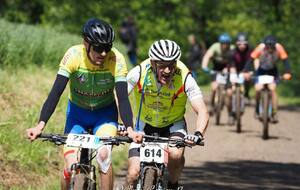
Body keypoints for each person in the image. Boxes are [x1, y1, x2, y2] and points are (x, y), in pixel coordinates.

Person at [26, 18, 142, 190]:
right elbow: (55, 93)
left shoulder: (116, 58)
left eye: (107, 48)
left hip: (104, 116)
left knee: (103, 156)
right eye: (98, 48)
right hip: (77, 116)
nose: (103, 53)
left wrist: (130, 129)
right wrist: (40, 125)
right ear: (85, 43)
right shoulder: (73, 55)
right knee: (69, 165)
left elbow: (123, 98)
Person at [123, 39, 209, 189]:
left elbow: (201, 109)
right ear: (153, 63)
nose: (168, 70)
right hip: (143, 124)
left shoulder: (185, 77)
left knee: (175, 155)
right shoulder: (139, 72)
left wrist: (198, 133)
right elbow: (120, 98)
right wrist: (121, 125)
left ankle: (173, 185)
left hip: (173, 125)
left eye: (171, 64)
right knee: (132, 173)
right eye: (162, 65)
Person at [243, 35, 292, 123]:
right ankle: (257, 109)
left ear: (274, 45)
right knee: (258, 88)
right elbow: (250, 60)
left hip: (273, 71)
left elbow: (286, 62)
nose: (269, 49)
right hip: (261, 71)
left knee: (272, 89)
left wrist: (287, 72)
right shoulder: (260, 48)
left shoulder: (279, 48)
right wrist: (246, 71)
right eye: (267, 47)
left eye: (271, 47)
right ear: (265, 45)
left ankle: (274, 113)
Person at [201, 33, 235, 124]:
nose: (225, 46)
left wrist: (233, 71)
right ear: (220, 43)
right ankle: (212, 106)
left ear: (229, 44)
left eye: (227, 44)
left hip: (227, 69)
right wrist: (204, 66)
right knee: (214, 87)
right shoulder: (215, 47)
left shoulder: (232, 49)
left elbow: (235, 61)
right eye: (223, 43)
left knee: (229, 93)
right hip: (216, 70)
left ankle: (230, 114)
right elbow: (207, 56)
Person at [231, 33, 253, 104]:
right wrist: (232, 72)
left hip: (247, 68)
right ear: (237, 44)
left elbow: (254, 60)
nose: (242, 46)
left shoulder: (251, 50)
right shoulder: (233, 51)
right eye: (240, 44)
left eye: (244, 44)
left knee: (248, 79)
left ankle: (246, 93)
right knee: (232, 82)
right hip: (235, 69)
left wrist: (253, 70)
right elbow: (231, 63)